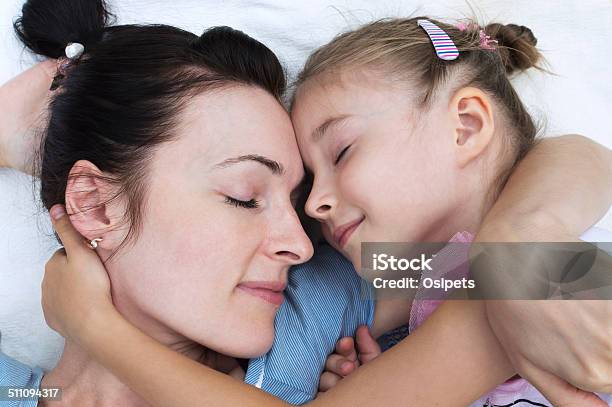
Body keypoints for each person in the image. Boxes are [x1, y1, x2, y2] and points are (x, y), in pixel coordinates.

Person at [3, 3, 611, 407]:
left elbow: (578, 170)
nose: (305, 228)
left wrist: (521, 232)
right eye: (245, 196)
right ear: (94, 205)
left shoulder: (473, 280)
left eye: (340, 155)